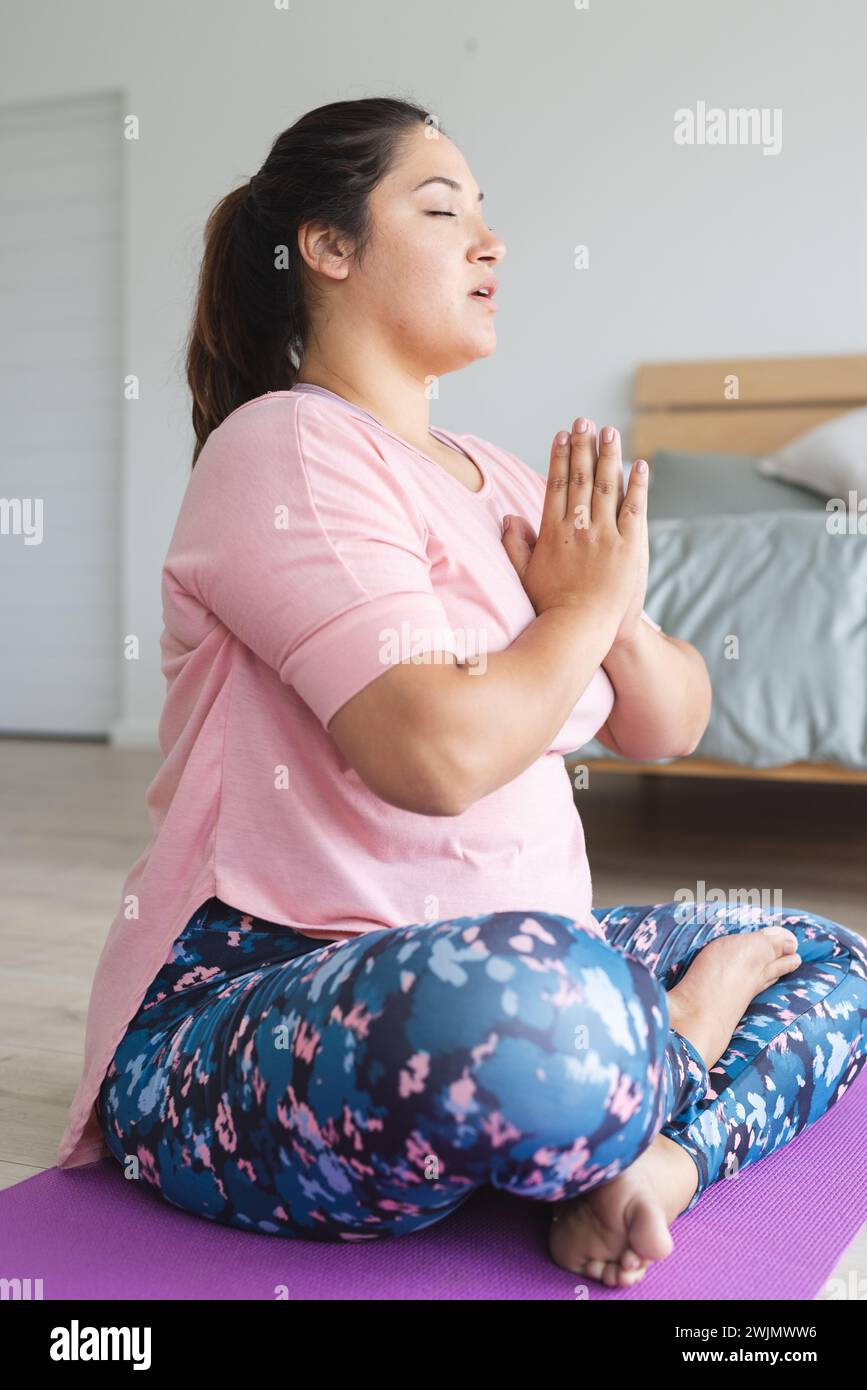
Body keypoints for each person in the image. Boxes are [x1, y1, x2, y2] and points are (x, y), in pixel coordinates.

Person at [58, 97, 867, 1290]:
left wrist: (615, 602)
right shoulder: (283, 448)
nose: (491, 242)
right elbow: (432, 753)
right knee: (549, 1011)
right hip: (258, 1004)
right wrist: (581, 615)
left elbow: (674, 720)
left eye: (489, 216)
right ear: (327, 249)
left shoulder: (494, 474)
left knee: (817, 951)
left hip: (525, 968)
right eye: (444, 210)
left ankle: (652, 1166)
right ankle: (670, 1047)